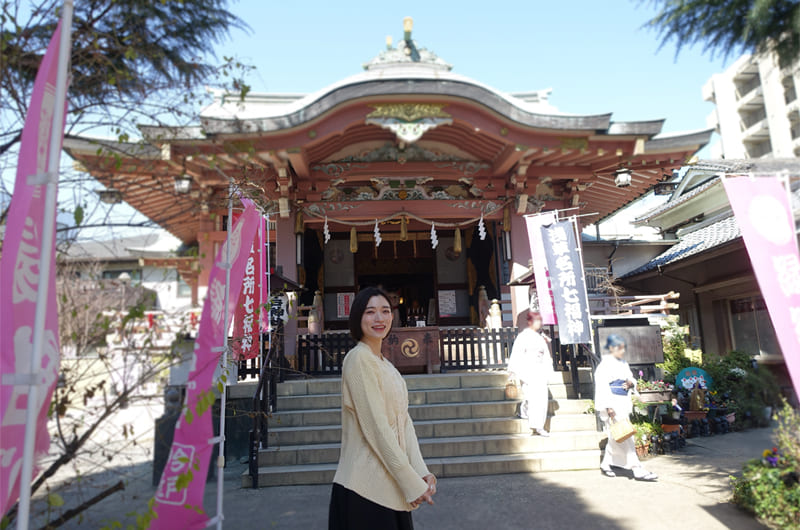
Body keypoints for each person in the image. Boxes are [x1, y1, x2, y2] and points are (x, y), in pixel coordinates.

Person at [329, 286, 437, 530]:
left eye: (385, 311)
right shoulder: (358, 359)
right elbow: (377, 429)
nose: (379, 318)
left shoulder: (386, 365)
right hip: (364, 489)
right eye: (370, 312)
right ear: (358, 317)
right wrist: (411, 482)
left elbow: (403, 422)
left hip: (392, 488)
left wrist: (420, 472)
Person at [594, 334, 658, 481]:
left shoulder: (623, 363)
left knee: (617, 436)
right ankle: (637, 469)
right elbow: (602, 387)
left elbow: (631, 378)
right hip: (613, 402)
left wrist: (630, 383)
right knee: (627, 435)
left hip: (623, 401)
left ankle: (606, 463)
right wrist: (608, 407)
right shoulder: (604, 365)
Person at [507, 311, 553, 436]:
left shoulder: (540, 337)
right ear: (530, 322)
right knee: (530, 397)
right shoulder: (523, 336)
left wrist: (548, 369)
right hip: (527, 370)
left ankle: (539, 426)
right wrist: (512, 371)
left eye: (540, 321)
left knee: (541, 399)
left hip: (540, 370)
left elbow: (546, 356)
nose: (539, 323)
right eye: (537, 320)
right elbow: (516, 354)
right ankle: (525, 411)